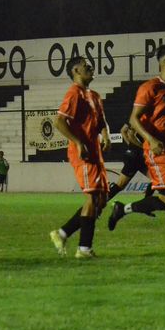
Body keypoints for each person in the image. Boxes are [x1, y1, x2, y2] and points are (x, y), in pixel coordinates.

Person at [107, 44, 165, 260]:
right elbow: (133, 119)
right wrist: (151, 139)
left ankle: (122, 209)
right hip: (158, 151)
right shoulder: (150, 88)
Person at [49, 57, 111, 259]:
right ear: (75, 71)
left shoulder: (94, 95)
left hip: (95, 152)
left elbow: (102, 121)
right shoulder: (74, 93)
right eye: (86, 66)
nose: (90, 67)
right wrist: (77, 142)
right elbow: (59, 121)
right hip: (82, 153)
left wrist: (106, 135)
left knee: (101, 199)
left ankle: (62, 233)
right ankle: (84, 249)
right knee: (92, 197)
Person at [107, 123, 155, 202]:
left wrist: (130, 145)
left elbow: (123, 130)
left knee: (155, 180)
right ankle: (99, 204)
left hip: (138, 156)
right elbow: (131, 134)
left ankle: (145, 205)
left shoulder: (136, 118)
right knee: (120, 185)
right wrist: (143, 147)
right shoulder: (140, 118)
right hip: (134, 157)